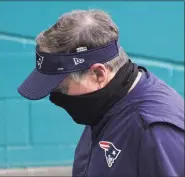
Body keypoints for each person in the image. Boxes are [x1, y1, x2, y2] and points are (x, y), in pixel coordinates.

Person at [18, 9, 184, 177]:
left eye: (61, 87)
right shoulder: (106, 103)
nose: (56, 97)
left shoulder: (154, 132)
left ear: (98, 74)